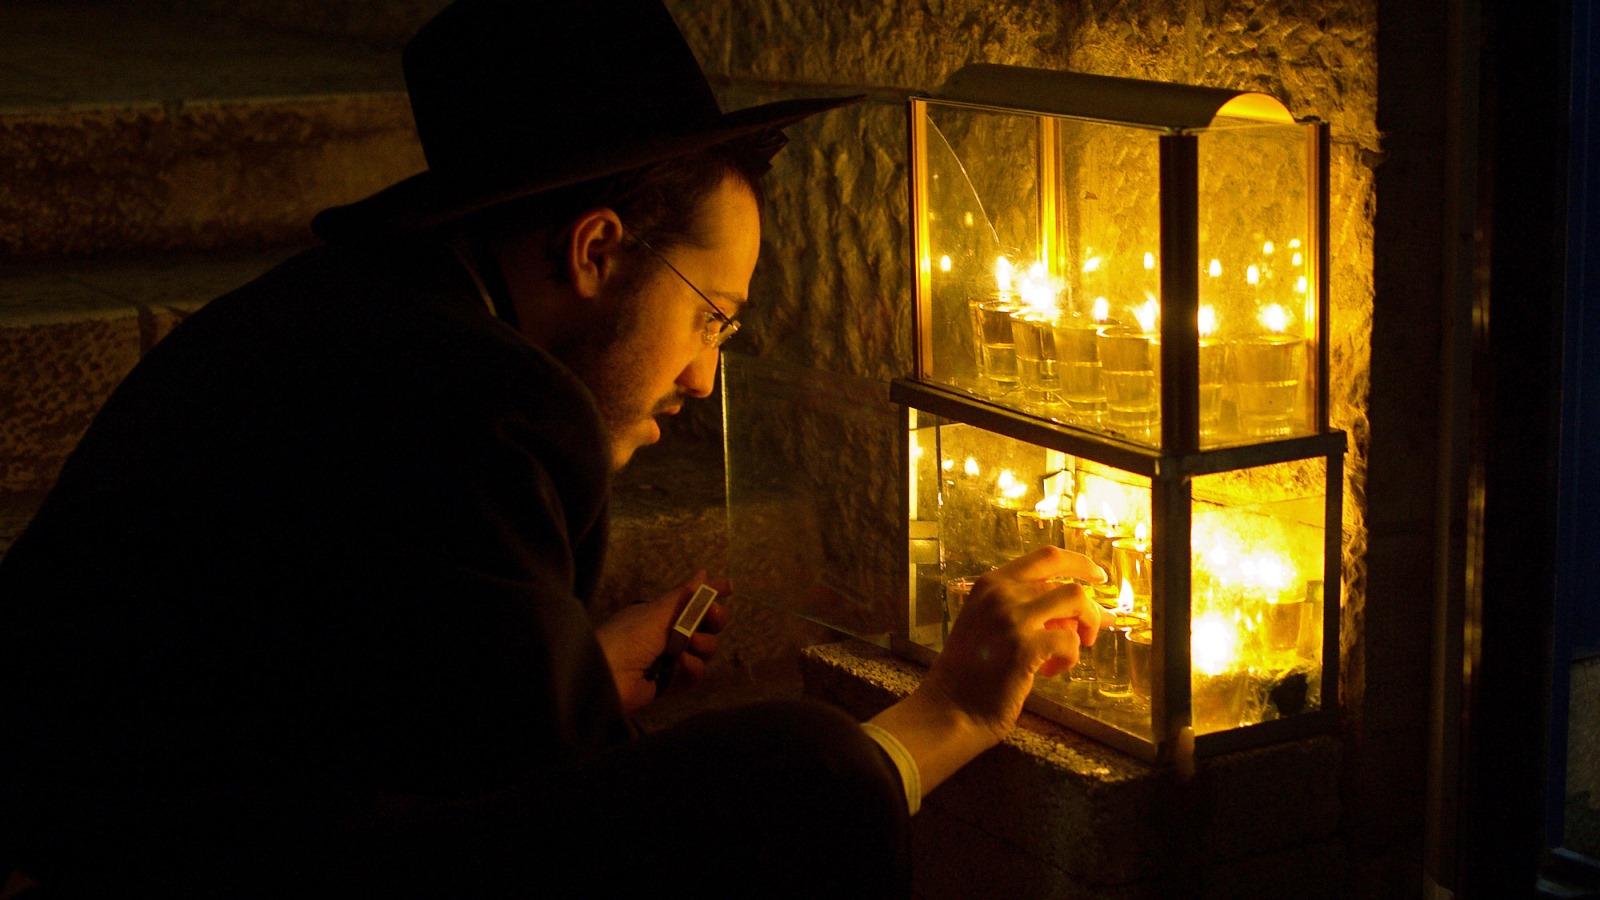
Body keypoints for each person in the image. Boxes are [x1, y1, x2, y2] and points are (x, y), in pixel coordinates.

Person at [0, 1, 1105, 896]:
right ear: (595, 252)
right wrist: (942, 712)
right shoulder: (483, 397)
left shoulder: (363, 322)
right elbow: (570, 845)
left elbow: (344, 668)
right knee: (800, 770)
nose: (702, 378)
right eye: (711, 316)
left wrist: (561, 665)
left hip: (126, 831)